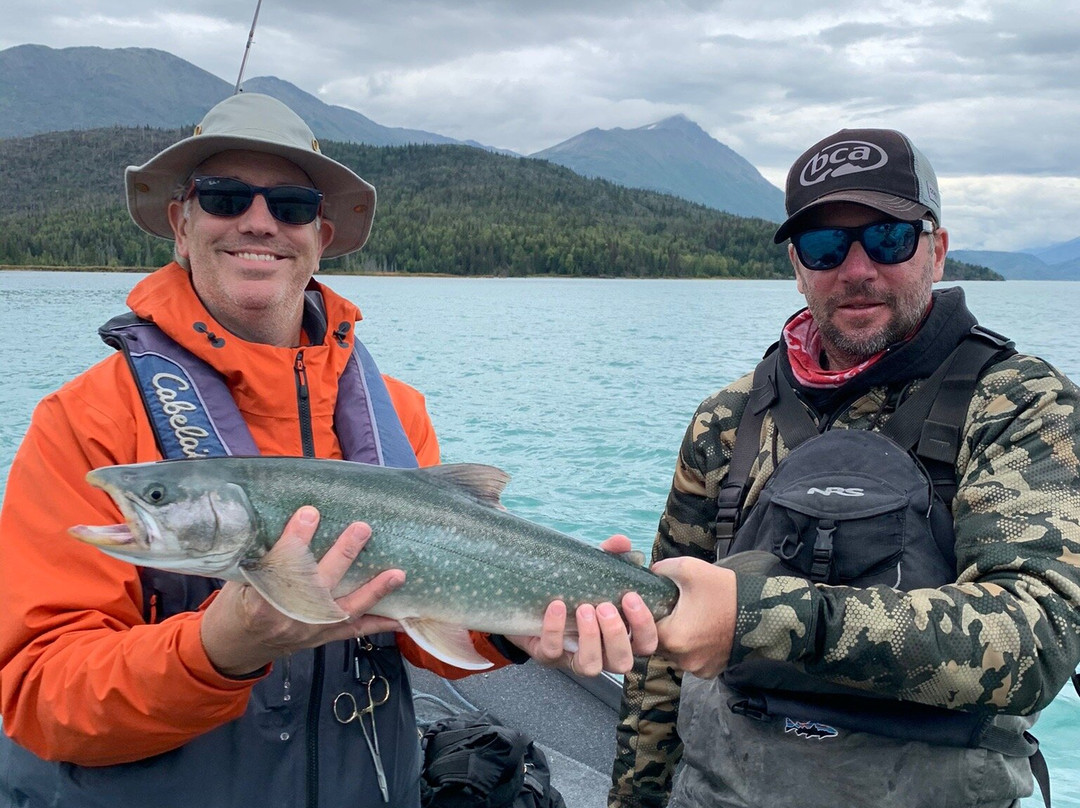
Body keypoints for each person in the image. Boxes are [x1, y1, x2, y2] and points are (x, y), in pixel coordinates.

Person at [0, 92, 656, 807]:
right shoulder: (84, 421)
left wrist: (520, 631)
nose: (258, 221)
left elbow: (421, 626)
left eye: (289, 204)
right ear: (180, 226)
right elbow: (38, 695)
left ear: (320, 234)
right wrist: (219, 648)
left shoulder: (396, 410)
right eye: (223, 197)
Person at [610, 128, 1080, 808]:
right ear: (798, 265)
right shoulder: (729, 418)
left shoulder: (1020, 404)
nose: (857, 268)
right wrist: (632, 799)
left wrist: (754, 617)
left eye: (889, 238)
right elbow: (658, 660)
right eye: (825, 246)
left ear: (938, 249)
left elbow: (1034, 639)